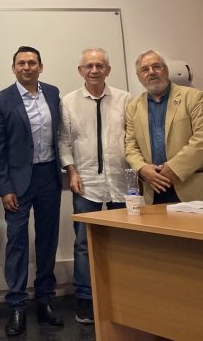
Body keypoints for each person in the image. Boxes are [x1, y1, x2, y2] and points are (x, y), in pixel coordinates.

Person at [0, 46, 64, 337]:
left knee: (47, 240)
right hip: (17, 182)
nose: (27, 67)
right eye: (21, 63)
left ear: (40, 67)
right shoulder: (0, 100)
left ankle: (45, 300)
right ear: (13, 68)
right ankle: (17, 306)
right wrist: (4, 187)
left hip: (48, 177)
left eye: (32, 62)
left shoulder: (53, 93)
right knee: (17, 242)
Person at [58, 47, 131, 324]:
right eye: (89, 66)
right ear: (80, 71)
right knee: (83, 242)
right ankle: (86, 298)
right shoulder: (69, 102)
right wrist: (71, 171)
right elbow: (64, 140)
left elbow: (133, 139)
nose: (94, 70)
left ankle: (123, 296)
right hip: (85, 182)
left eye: (100, 65)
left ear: (108, 70)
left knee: (123, 241)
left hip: (121, 182)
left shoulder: (125, 99)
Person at [125, 49, 203, 204]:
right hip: (156, 190)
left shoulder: (194, 97)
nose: (151, 72)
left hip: (197, 190)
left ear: (165, 70)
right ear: (139, 77)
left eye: (156, 66)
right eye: (145, 69)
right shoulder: (133, 107)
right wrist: (142, 168)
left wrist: (174, 168)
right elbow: (130, 146)